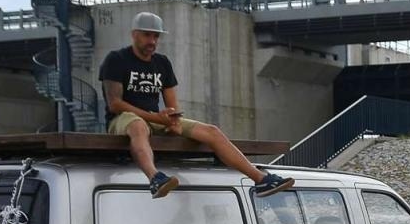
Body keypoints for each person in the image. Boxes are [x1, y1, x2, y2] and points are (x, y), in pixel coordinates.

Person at [100, 12, 293, 199]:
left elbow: (171, 100)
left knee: (212, 131)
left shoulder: (162, 62)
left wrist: (174, 120)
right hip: (124, 119)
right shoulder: (117, 59)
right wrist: (156, 118)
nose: (152, 41)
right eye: (147, 35)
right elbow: (115, 104)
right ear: (134, 34)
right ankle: (155, 178)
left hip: (156, 118)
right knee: (138, 126)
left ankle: (260, 179)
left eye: (156, 36)